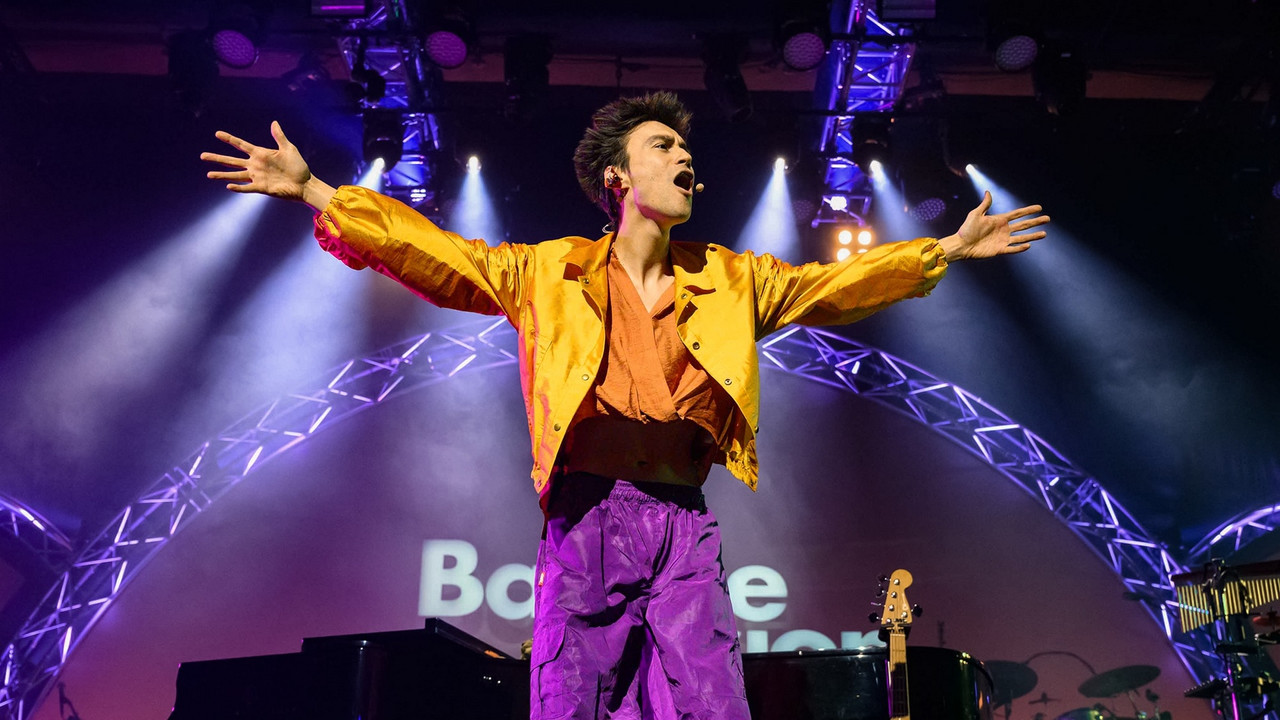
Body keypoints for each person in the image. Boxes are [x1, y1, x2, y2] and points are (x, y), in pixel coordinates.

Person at [202, 91, 1048, 720]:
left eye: (688, 150)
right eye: (665, 146)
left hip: (684, 522)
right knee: (574, 699)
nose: (688, 160)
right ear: (619, 176)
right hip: (588, 519)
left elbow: (836, 283)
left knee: (713, 703)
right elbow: (437, 254)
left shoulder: (728, 277)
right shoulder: (549, 272)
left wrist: (942, 249)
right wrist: (318, 193)